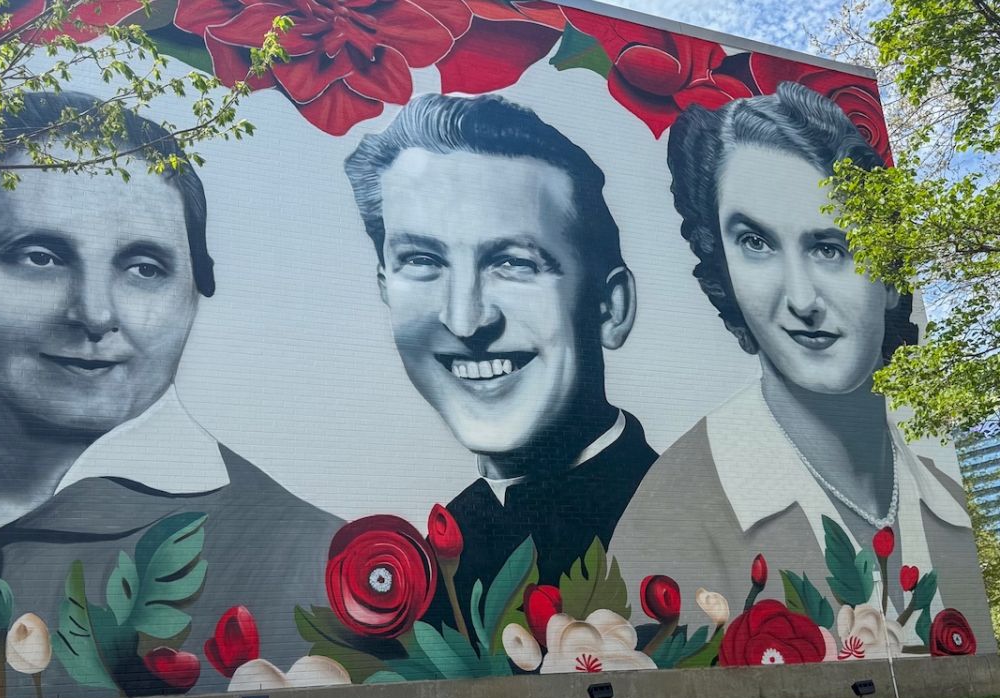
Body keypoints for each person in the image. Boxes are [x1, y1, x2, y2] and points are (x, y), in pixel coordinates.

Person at [0, 91, 341, 698]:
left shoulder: (311, 561)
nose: (94, 314)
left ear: (194, 291)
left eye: (144, 267)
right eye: (39, 257)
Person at [611, 82, 994, 657]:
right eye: (756, 242)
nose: (800, 299)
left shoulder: (948, 506)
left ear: (890, 279)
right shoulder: (668, 519)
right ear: (721, 263)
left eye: (830, 246)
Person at [344, 94, 657, 647]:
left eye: (513, 262)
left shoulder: (678, 514)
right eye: (421, 261)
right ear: (384, 289)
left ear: (610, 307)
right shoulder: (441, 550)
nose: (466, 319)